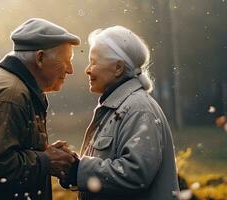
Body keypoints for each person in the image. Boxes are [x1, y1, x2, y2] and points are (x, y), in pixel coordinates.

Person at [0, 18, 80, 200]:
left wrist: (43, 153)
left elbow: (3, 154)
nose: (70, 70)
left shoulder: (12, 88)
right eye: (66, 61)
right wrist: (46, 161)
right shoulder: (9, 96)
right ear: (40, 58)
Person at [60, 26, 180, 200]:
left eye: (94, 62)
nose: (87, 69)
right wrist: (71, 165)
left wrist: (76, 170)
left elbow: (135, 175)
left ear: (118, 68)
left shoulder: (138, 109)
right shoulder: (119, 108)